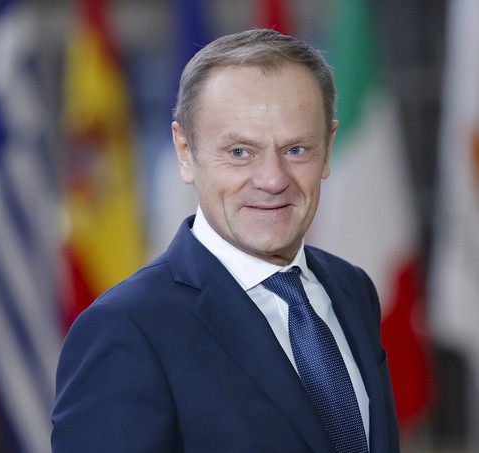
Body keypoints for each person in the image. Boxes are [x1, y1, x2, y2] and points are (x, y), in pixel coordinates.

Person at [51, 29, 400, 452]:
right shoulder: (126, 328)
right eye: (239, 152)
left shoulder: (351, 289)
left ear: (327, 149)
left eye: (295, 150)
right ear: (185, 151)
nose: (272, 180)